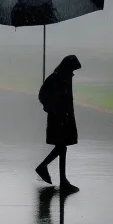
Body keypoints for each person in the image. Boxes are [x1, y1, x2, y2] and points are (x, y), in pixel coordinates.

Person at [36, 54, 81, 193]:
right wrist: (52, 108)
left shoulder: (63, 78)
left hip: (63, 117)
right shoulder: (57, 78)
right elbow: (43, 95)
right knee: (62, 147)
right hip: (59, 118)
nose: (73, 73)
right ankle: (55, 175)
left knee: (62, 147)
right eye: (72, 70)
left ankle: (59, 177)